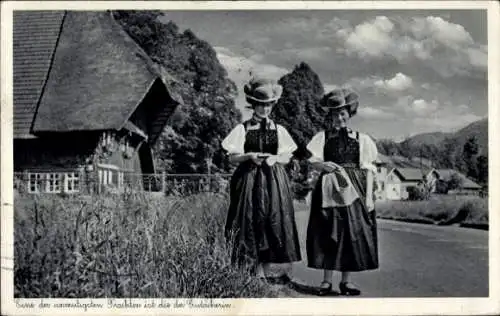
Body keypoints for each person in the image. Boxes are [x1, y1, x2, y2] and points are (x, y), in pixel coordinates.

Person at [221, 77, 301, 284]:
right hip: (248, 179)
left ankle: (266, 269)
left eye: (268, 105)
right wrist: (249, 156)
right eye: (260, 105)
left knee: (272, 220)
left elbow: (287, 156)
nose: (264, 110)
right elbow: (231, 158)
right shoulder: (243, 129)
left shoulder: (279, 130)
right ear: (253, 105)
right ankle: (254, 270)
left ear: (272, 106)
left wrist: (276, 158)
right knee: (249, 220)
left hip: (274, 180)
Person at [306, 87, 379, 296]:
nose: (339, 118)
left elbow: (368, 169)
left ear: (349, 114)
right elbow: (313, 161)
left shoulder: (361, 139)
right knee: (329, 232)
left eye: (342, 113)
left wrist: (369, 197)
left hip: (353, 191)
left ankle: (346, 282)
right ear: (330, 116)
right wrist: (323, 165)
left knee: (351, 235)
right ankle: (326, 281)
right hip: (328, 190)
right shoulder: (323, 137)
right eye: (335, 114)